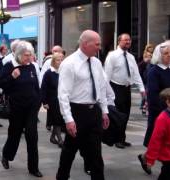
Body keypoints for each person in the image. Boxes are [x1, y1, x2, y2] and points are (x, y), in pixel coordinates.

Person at [56, 30, 109, 180]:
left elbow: (101, 87)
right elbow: (63, 94)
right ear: (86, 44)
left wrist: (104, 111)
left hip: (94, 112)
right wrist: (69, 119)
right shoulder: (69, 63)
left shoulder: (97, 62)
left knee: (96, 154)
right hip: (77, 112)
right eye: (97, 44)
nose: (100, 47)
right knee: (69, 151)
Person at [0, 41, 43, 177]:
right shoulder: (10, 66)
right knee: (14, 135)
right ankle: (6, 155)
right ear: (18, 55)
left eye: (30, 55)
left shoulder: (32, 67)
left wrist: (38, 101)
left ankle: (33, 168)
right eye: (25, 55)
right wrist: (12, 77)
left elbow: (36, 86)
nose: (28, 58)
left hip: (31, 109)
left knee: (32, 136)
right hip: (16, 108)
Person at [104, 33, 145, 149]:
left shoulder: (131, 57)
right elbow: (106, 75)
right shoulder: (112, 56)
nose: (128, 42)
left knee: (126, 114)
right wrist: (107, 93)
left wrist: (142, 89)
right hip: (115, 88)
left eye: (129, 40)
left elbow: (136, 74)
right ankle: (117, 139)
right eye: (125, 40)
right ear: (119, 41)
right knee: (118, 115)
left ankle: (122, 138)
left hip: (127, 89)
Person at [138, 88, 170, 180]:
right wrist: (150, 159)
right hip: (169, 156)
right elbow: (155, 141)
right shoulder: (162, 119)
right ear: (168, 102)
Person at [143, 44, 170, 147]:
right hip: (160, 108)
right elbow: (152, 95)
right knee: (155, 134)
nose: (169, 55)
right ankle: (147, 156)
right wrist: (164, 109)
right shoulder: (154, 72)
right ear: (159, 55)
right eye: (166, 53)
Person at [41, 53, 65, 148]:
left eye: (61, 60)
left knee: (58, 119)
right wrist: (44, 102)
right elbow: (44, 88)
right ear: (53, 61)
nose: (60, 62)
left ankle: (52, 137)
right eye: (58, 60)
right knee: (57, 120)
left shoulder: (63, 71)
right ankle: (60, 140)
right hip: (52, 100)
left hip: (62, 100)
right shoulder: (48, 73)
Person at [138, 50, 153, 115]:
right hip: (144, 82)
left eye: (151, 56)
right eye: (148, 56)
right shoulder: (143, 63)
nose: (150, 57)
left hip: (150, 82)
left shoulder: (152, 64)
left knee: (148, 96)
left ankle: (145, 107)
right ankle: (144, 106)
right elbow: (139, 71)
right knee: (146, 96)